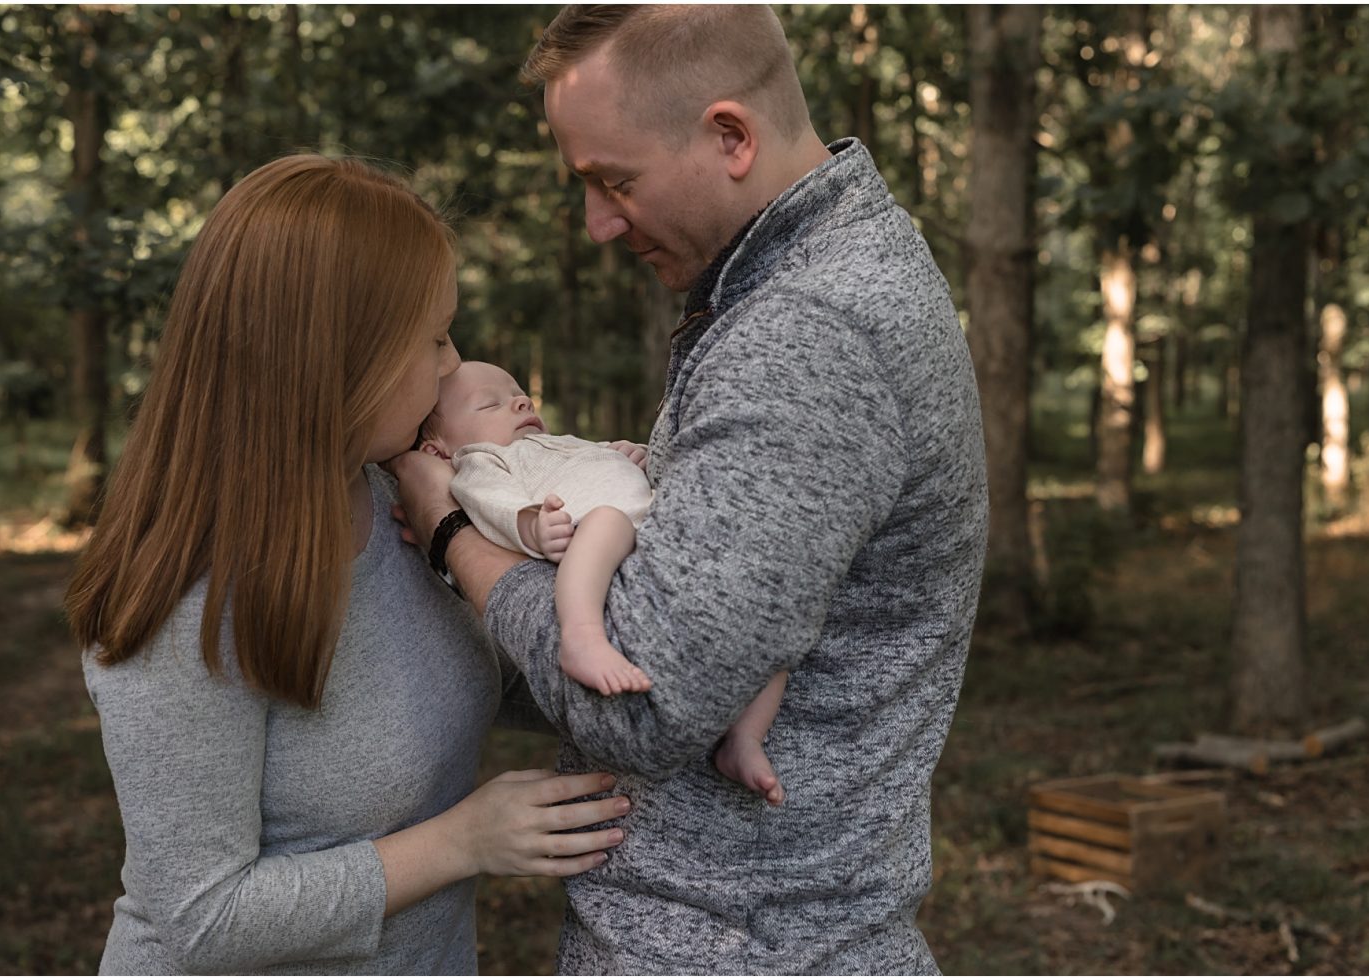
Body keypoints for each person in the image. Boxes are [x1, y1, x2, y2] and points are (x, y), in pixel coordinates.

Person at [388, 5, 987, 974]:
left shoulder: (808, 337)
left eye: (613, 182)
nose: (596, 224)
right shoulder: (779, 296)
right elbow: (687, 641)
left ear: (730, 136)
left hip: (739, 947)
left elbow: (640, 700)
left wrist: (455, 532)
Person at [64, 154, 627, 975]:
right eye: (431, 337)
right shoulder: (188, 597)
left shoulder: (390, 495)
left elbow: (491, 673)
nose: (451, 363)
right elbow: (204, 916)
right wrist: (463, 841)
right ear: (335, 357)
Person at [417, 359, 789, 803]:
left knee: (774, 632)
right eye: (490, 404)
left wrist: (629, 455)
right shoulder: (482, 459)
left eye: (518, 393)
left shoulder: (558, 444)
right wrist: (532, 525)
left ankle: (744, 738)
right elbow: (487, 501)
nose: (520, 401)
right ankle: (581, 636)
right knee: (607, 521)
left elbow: (605, 468)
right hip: (604, 553)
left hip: (660, 548)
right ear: (439, 452)